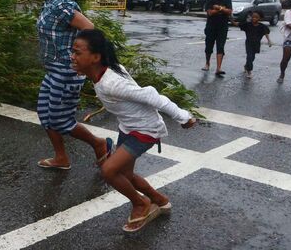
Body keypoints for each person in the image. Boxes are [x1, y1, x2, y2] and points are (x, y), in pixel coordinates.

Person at [70, 29, 197, 232]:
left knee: (109, 170)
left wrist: (184, 117)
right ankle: (159, 200)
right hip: (129, 127)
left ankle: (140, 203)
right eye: (73, 51)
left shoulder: (112, 83)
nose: (72, 56)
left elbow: (151, 95)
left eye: (77, 52)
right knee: (124, 175)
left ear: (95, 57)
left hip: (145, 130)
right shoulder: (104, 71)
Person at [34, 0, 112, 170]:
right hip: (53, 70)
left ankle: (99, 144)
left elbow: (89, 27)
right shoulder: (51, 2)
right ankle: (61, 158)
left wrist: (80, 57)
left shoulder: (61, 5)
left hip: (66, 71)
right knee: (44, 113)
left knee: (60, 120)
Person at [202, 0, 233, 76]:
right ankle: (207, 63)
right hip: (211, 26)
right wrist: (222, 9)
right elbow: (209, 12)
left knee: (220, 46)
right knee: (209, 46)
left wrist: (218, 8)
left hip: (223, 27)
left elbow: (229, 11)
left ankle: (218, 68)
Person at [239, 11, 272, 79]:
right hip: (248, 43)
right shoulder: (247, 25)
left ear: (260, 18)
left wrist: (269, 41)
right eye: (253, 17)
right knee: (249, 56)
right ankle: (249, 71)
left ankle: (246, 65)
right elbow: (238, 24)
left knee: (252, 57)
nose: (254, 18)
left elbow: (266, 34)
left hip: (256, 44)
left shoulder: (262, 26)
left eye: (256, 17)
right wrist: (231, 19)